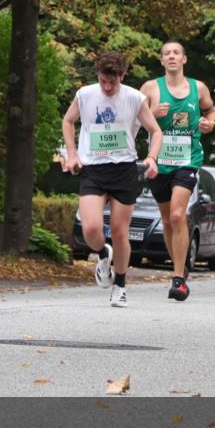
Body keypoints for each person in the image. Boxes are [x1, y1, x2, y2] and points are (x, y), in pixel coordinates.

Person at [61, 51, 162, 307]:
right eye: (103, 81)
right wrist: (72, 154)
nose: (107, 87)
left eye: (112, 82)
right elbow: (68, 120)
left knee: (119, 232)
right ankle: (103, 253)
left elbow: (155, 130)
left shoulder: (134, 98)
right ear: (98, 75)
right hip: (92, 169)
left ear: (122, 76)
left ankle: (120, 284)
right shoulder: (85, 95)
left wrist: (151, 157)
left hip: (123, 169)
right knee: (91, 228)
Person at [140, 41, 215, 301]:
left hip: (188, 160)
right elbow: (133, 120)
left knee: (177, 215)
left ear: (184, 59)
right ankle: (180, 267)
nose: (171, 56)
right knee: (166, 220)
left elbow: (212, 110)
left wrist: (210, 123)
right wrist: (151, 112)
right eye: (167, 54)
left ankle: (177, 279)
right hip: (159, 162)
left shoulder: (198, 88)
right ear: (161, 60)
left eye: (176, 53)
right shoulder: (151, 88)